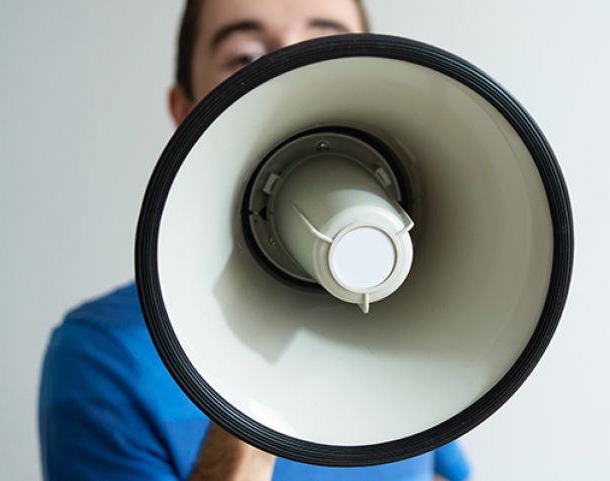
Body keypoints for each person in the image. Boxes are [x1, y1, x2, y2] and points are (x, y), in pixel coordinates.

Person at [37, 1, 472, 480]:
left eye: (327, 44)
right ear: (185, 111)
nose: (291, 71)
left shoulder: (417, 329)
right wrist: (248, 392)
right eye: (244, 58)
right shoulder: (106, 358)